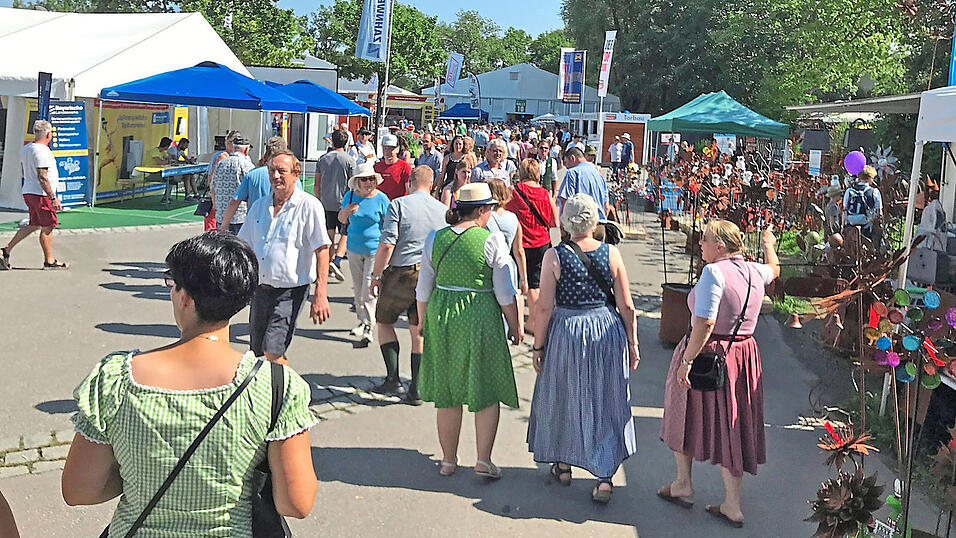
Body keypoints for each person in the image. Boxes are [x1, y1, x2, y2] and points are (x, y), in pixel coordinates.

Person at [61, 231, 318, 536]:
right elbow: (296, 503)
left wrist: (138, 475)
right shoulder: (276, 385)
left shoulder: (115, 378)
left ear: (185, 297)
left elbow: (79, 491)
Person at [659, 220, 779, 528]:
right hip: (744, 355)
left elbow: (705, 323)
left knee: (682, 411)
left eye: (705, 239)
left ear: (720, 246)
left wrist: (686, 360)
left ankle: (684, 482)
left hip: (709, 355)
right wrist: (768, 244)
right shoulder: (754, 271)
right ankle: (732, 504)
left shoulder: (713, 273)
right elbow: (774, 270)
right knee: (733, 423)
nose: (700, 244)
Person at [527, 193, 639, 504]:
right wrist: (632, 341)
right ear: (594, 221)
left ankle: (563, 464)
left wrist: (538, 347)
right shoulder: (611, 254)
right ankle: (604, 476)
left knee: (564, 393)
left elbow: (545, 308)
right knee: (606, 396)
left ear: (565, 223)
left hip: (567, 330)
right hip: (605, 327)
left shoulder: (555, 256)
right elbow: (626, 305)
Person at [415, 182, 521, 479]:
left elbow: (423, 288)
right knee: (485, 385)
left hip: (442, 312)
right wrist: (514, 326)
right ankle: (483, 460)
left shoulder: (435, 238)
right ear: (483, 210)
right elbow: (504, 293)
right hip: (479, 314)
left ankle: (449, 460)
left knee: (448, 389)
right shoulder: (492, 240)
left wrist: (423, 322)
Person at [238, 150, 332, 365]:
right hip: (260, 289)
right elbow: (244, 246)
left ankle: (290, 393)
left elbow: (322, 249)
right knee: (257, 351)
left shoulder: (309, 206)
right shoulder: (259, 206)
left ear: (296, 174)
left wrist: (321, 293)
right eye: (272, 170)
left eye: (282, 171)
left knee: (273, 350)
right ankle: (268, 393)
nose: (276, 176)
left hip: (291, 291)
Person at [369, 166, 448, 402]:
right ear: (432, 185)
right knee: (418, 330)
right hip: (429, 274)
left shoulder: (399, 205)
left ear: (409, 183)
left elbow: (387, 244)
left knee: (384, 321)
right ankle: (417, 387)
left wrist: (375, 275)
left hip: (400, 273)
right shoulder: (442, 210)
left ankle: (393, 379)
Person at [1, 120, 67, 270]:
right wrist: (52, 197)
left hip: (30, 191)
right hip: (41, 194)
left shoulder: (26, 149)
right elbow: (42, 176)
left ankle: (6, 250)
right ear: (48, 134)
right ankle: (49, 261)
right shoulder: (42, 151)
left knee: (35, 224)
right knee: (48, 225)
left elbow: (24, 170)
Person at [339, 162, 390, 344]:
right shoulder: (350, 196)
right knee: (358, 288)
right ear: (357, 182)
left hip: (374, 250)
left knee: (369, 289)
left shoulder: (382, 199)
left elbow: (389, 224)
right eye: (364, 179)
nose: (368, 182)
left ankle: (369, 325)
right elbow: (341, 218)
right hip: (354, 248)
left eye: (371, 179)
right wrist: (347, 211)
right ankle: (362, 320)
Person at [506, 159, 559, 334]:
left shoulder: (514, 192)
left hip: (518, 245)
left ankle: (518, 325)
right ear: (537, 173)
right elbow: (554, 222)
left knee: (519, 285)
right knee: (535, 285)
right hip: (541, 243)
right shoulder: (545, 194)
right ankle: (534, 324)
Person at [218, 137, 301, 232]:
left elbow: (235, 200)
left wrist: (224, 225)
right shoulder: (290, 177)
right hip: (283, 227)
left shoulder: (252, 174)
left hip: (256, 226)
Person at [485, 178, 528, 335]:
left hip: (490, 261)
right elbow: (519, 250)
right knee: (509, 297)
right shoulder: (513, 218)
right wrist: (524, 279)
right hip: (509, 262)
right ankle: (513, 329)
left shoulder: (485, 217)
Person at [315, 129, 357, 282]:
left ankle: (328, 263)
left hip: (326, 202)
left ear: (332, 141)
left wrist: (318, 199)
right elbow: (353, 184)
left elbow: (317, 183)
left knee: (329, 235)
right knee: (345, 233)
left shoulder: (322, 159)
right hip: (344, 202)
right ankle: (337, 261)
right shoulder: (349, 160)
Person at [557, 147, 611, 239]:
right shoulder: (597, 173)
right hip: (599, 225)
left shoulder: (572, 173)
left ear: (573, 158)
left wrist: (562, 226)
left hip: (579, 228)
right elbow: (606, 206)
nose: (566, 167)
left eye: (566, 163)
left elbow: (566, 201)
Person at [211, 134, 254, 233]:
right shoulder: (247, 165)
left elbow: (212, 188)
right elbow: (251, 191)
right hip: (240, 216)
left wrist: (215, 206)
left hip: (221, 215)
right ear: (246, 149)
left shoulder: (221, 164)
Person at [843, 165, 883, 247]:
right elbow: (879, 212)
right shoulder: (874, 192)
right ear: (869, 177)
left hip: (851, 226)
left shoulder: (849, 191)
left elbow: (844, 210)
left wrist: (843, 226)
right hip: (867, 228)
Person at [375, 134, 412, 200]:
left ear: (397, 149)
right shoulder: (376, 167)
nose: (387, 152)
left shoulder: (405, 167)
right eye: (385, 148)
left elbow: (409, 190)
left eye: (391, 149)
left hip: (398, 206)